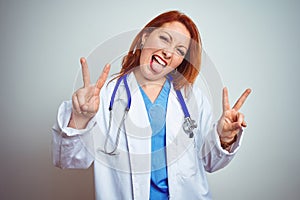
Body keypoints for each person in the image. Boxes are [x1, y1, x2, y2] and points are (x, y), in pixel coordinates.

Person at [52, 10, 251, 200]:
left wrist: (224, 139)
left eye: (180, 50)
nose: (168, 52)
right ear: (144, 37)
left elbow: (210, 162)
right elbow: (68, 161)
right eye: (165, 39)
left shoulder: (192, 98)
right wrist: (80, 118)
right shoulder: (105, 95)